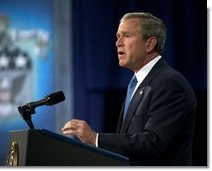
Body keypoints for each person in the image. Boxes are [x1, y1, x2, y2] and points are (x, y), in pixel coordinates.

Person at [62, 12, 197, 166]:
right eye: (118, 36)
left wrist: (95, 138)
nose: (118, 43)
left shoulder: (169, 83)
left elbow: (154, 143)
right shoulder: (137, 83)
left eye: (126, 35)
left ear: (149, 44)